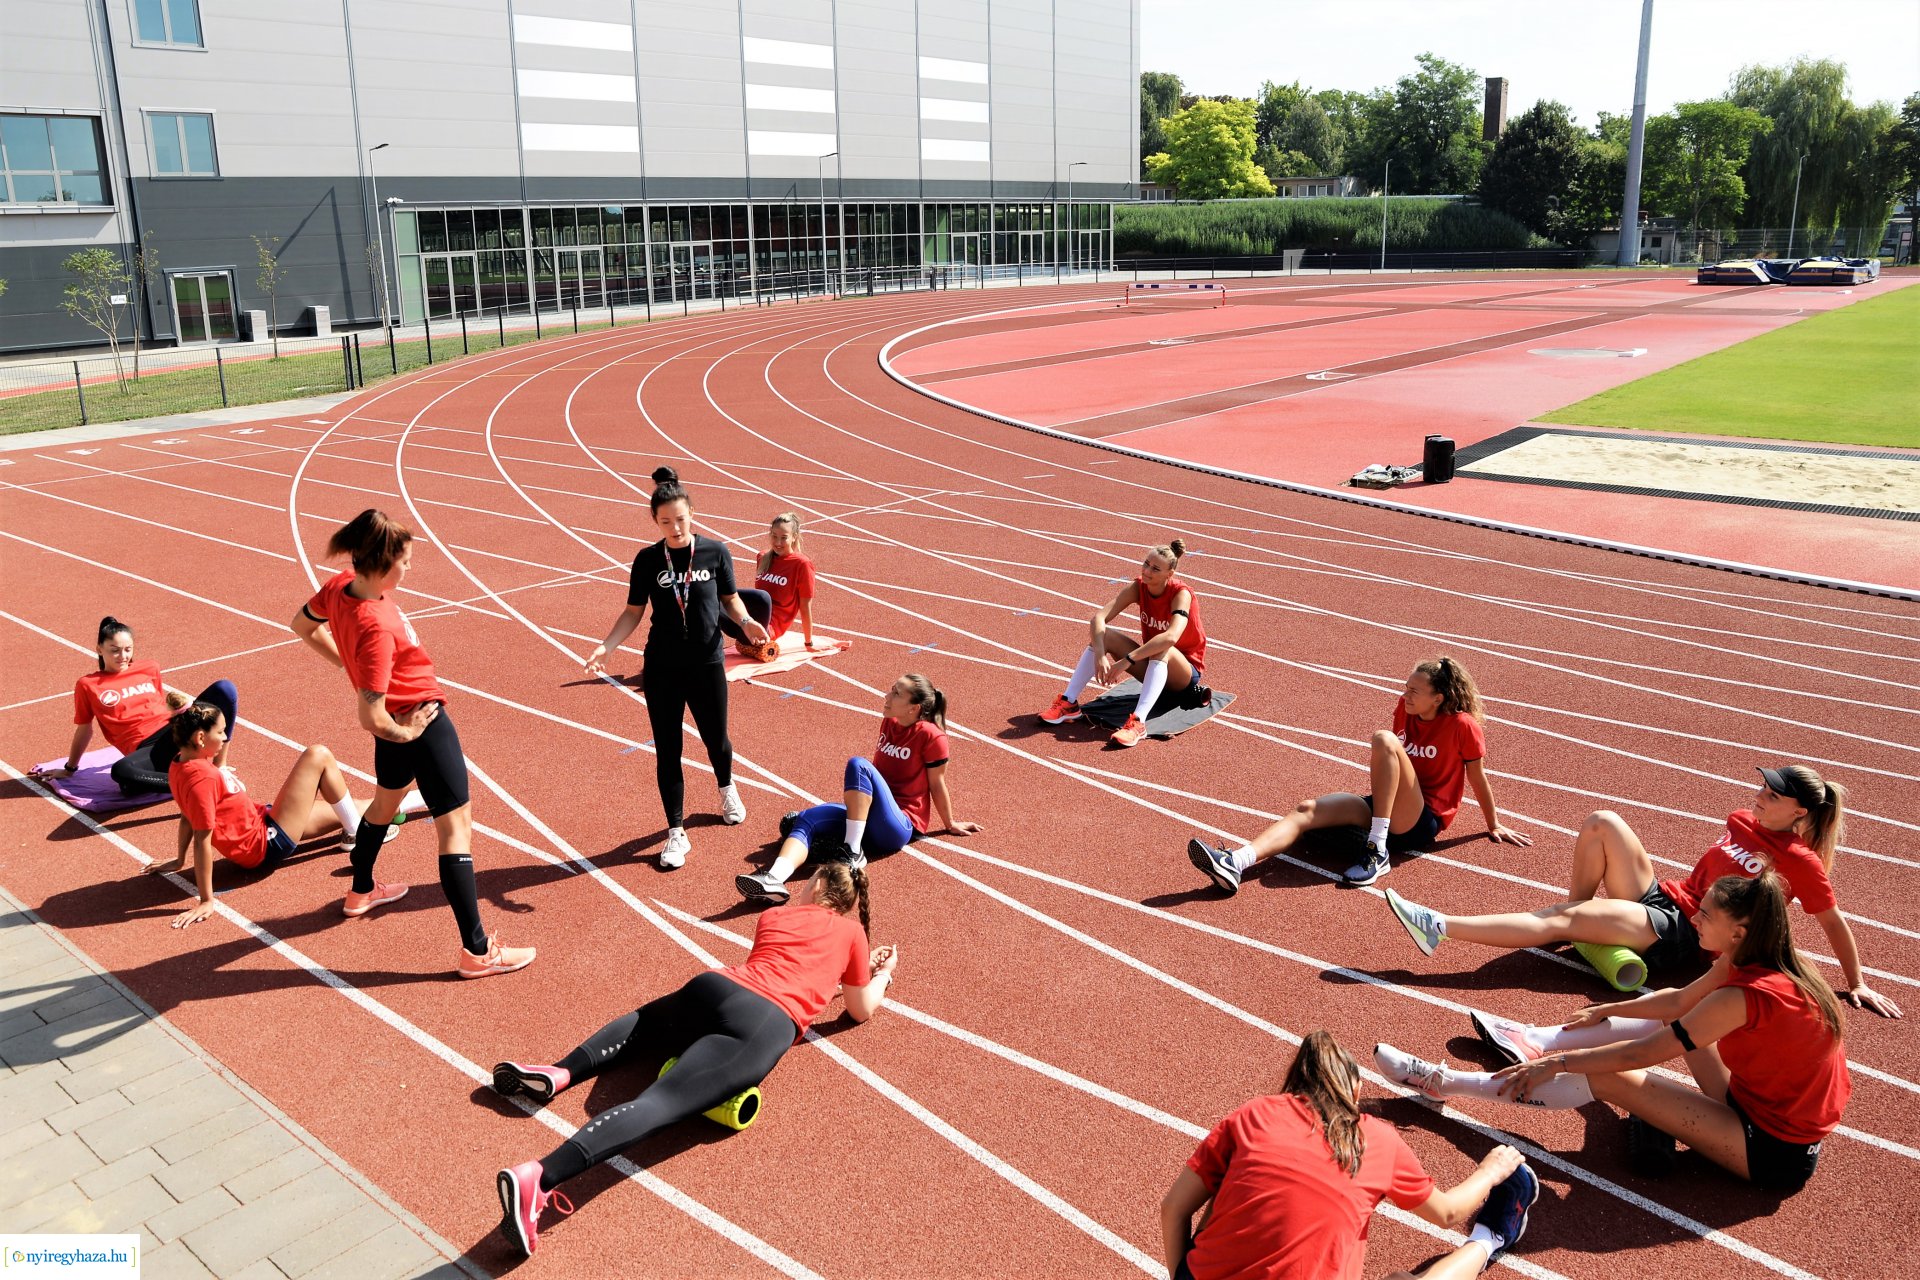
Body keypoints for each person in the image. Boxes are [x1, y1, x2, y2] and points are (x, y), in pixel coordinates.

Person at [490, 863, 895, 1257]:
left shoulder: (775, 915)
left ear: (820, 883)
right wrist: (881, 975)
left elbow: (792, 962)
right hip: (763, 1022)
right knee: (659, 1104)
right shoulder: (853, 931)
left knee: (644, 1023)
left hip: (716, 987)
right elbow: (858, 1009)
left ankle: (559, 1072)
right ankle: (539, 1177)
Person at [1375, 872, 1851, 1194]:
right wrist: (1610, 1007)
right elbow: (1678, 1002)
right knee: (1666, 1023)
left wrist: (1558, 1065)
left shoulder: (1744, 995)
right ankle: (1537, 1039)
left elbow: (1641, 1054)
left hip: (1771, 1149)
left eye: (1706, 915)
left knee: (1607, 1079)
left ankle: (1441, 1084)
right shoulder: (1761, 959)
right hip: (1754, 1102)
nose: (1695, 919)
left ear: (1740, 932)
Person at [1380, 765, 1900, 1018]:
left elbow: (1832, 922)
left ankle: (1440, 929)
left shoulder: (1800, 863)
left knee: (1564, 916)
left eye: (1772, 795)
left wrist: (1855, 982)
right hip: (1666, 898)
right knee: (1602, 821)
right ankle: (1580, 924)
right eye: (1762, 789)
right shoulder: (1742, 820)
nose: (1759, 798)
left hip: (1686, 934)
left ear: (1800, 812)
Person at [291, 508, 534, 980]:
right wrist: (407, 729)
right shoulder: (377, 625)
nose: (410, 568)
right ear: (383, 563)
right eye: (405, 560)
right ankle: (477, 951)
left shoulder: (341, 586)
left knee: (384, 805)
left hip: (402, 724)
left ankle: (360, 891)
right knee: (456, 829)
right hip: (419, 720)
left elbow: (301, 626)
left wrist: (349, 667)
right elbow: (371, 715)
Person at [1161, 1031, 1540, 1280]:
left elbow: (1173, 1208)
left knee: (1223, 1187)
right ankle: (1490, 1237)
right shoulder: (1377, 1139)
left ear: (1297, 1084)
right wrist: (1491, 1171)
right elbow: (1447, 1213)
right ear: (1355, 1093)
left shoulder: (1254, 1113)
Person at [1188, 656, 1528, 893]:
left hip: (1422, 819)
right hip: (1387, 805)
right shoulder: (1404, 709)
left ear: (1438, 698)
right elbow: (1395, 765)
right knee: (1307, 810)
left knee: (1383, 739)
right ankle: (1235, 861)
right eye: (1406, 687)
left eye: (1415, 691)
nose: (1405, 695)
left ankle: (1376, 851)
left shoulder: (1462, 726)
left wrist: (1493, 823)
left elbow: (1477, 778)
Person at [583, 467, 771, 869]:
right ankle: (675, 832)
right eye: (666, 521)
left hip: (707, 663)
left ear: (692, 513)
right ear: (655, 521)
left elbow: (730, 599)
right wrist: (607, 645)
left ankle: (726, 787)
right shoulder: (648, 560)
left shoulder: (715, 552)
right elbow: (633, 612)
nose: (675, 527)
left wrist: (746, 622)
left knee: (716, 739)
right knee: (668, 751)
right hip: (663, 667)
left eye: (681, 519)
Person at [144, 703, 405, 929]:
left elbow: (187, 815)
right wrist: (206, 900)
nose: (225, 738)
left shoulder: (179, 764)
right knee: (318, 755)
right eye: (221, 732)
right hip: (266, 842)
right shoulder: (204, 778)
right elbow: (202, 838)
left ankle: (424, 798)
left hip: (264, 821)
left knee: (366, 806)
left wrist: (179, 860)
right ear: (201, 738)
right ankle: (357, 834)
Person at [735, 673, 982, 903]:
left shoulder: (932, 736)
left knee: (858, 765)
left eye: (896, 693)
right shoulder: (889, 723)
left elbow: (937, 784)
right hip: (872, 817)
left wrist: (950, 824)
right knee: (807, 818)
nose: (887, 695)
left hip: (900, 824)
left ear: (914, 708)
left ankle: (852, 853)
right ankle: (774, 879)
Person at [31, 615, 239, 798]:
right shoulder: (88, 685)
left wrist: (182, 713)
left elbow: (160, 708)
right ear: (99, 649)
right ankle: (195, 783)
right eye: (114, 650)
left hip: (174, 730)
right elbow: (85, 728)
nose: (122, 656)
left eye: (128, 650)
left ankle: (219, 769)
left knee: (224, 689)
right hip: (146, 749)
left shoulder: (149, 668)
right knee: (122, 772)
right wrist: (70, 769)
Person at [1040, 539, 1211, 749]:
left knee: (1162, 646)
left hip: (1183, 674)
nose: (1147, 571)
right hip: (1152, 663)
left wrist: (1126, 661)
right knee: (1106, 635)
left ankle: (1137, 724)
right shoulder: (1139, 586)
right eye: (1146, 564)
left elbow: (1171, 637)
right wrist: (1101, 654)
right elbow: (1098, 619)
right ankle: (1069, 702)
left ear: (1169, 574)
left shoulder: (1181, 594)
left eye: (1156, 569)